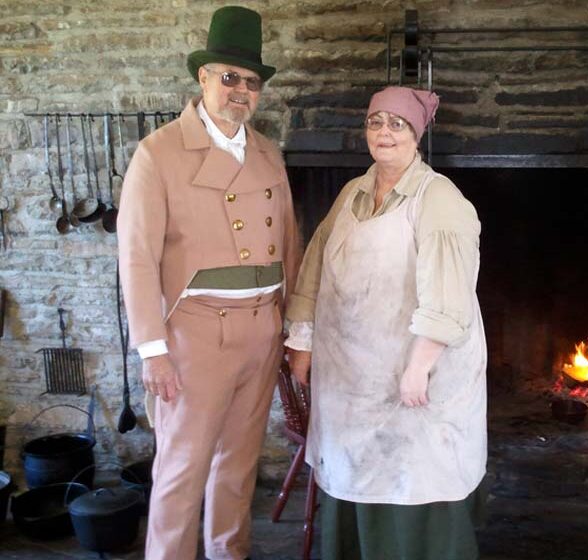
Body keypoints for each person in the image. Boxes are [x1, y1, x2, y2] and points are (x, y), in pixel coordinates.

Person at [117, 6, 300, 559]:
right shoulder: (160, 153)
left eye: (251, 82)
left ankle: (228, 552)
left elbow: (289, 246)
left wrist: (292, 331)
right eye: (229, 77)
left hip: (262, 330)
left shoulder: (268, 152)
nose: (240, 90)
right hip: (195, 336)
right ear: (203, 78)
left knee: (239, 463)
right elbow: (138, 258)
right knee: (181, 470)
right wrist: (153, 351)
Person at [285, 86, 488, 560]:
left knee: (410, 475)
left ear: (416, 134)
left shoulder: (439, 199)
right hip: (351, 379)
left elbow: (449, 293)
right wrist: (303, 339)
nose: (384, 132)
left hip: (413, 378)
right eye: (375, 121)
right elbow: (315, 265)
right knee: (353, 471)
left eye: (396, 123)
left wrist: (419, 367)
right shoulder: (351, 192)